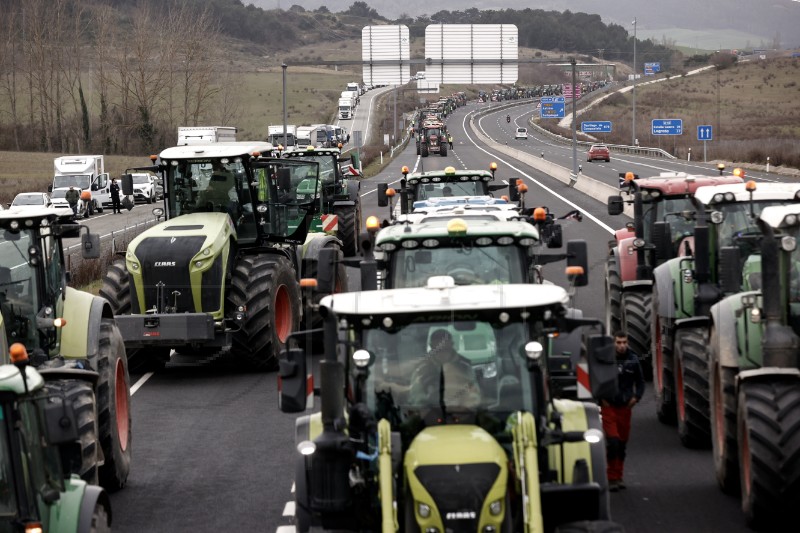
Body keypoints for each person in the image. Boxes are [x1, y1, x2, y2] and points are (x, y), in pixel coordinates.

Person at [601, 330, 645, 492]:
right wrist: (601, 399)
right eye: (618, 342)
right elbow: (595, 379)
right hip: (609, 408)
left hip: (625, 408)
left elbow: (640, 382)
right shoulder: (605, 359)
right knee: (612, 442)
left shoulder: (633, 360)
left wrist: (636, 398)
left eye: (624, 342)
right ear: (613, 343)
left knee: (621, 445)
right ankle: (611, 477)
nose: (622, 346)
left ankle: (619, 476)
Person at [408, 329, 481, 408]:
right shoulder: (421, 370)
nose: (442, 353)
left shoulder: (465, 368)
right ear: (431, 346)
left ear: (452, 345)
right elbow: (416, 398)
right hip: (430, 414)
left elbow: (474, 395)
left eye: (446, 349)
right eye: (438, 350)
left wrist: (465, 405)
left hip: (462, 412)